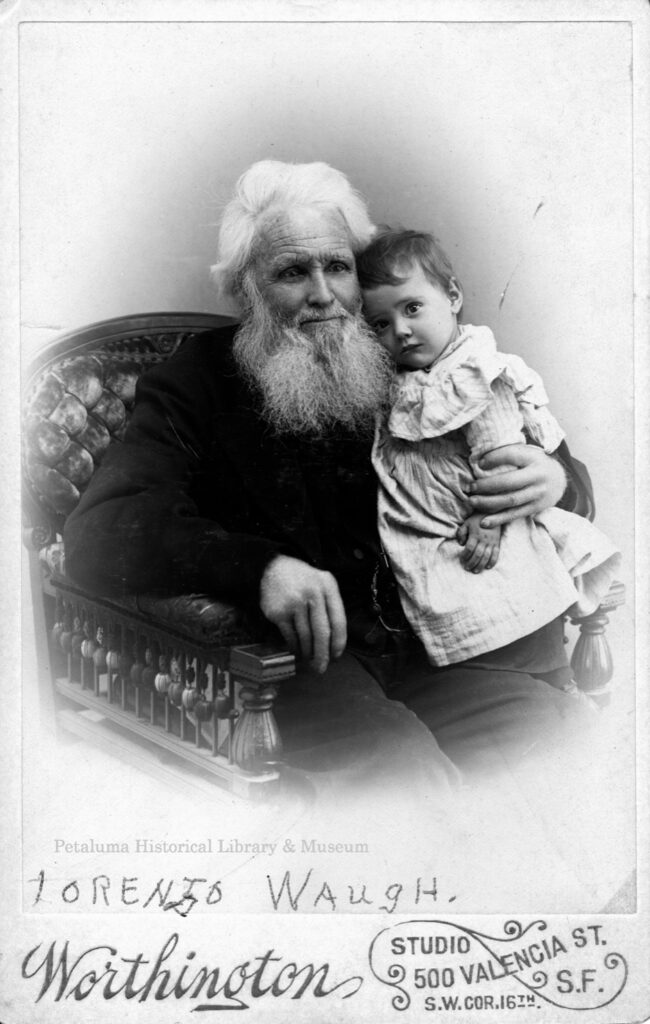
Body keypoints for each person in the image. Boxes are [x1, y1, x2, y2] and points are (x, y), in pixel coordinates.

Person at [63, 159, 599, 788]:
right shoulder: (195, 380)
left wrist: (554, 477)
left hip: (435, 653)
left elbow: (531, 447)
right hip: (299, 670)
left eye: (338, 266)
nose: (323, 294)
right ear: (247, 288)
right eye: (293, 272)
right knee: (408, 782)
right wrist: (260, 567)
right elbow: (103, 528)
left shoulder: (401, 358)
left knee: (558, 747)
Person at [357, 229, 620, 669]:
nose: (400, 331)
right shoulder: (405, 383)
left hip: (484, 519)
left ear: (454, 295)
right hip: (434, 527)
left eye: (413, 308)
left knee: (502, 609)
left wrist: (487, 520)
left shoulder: (470, 371)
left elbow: (500, 451)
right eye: (381, 324)